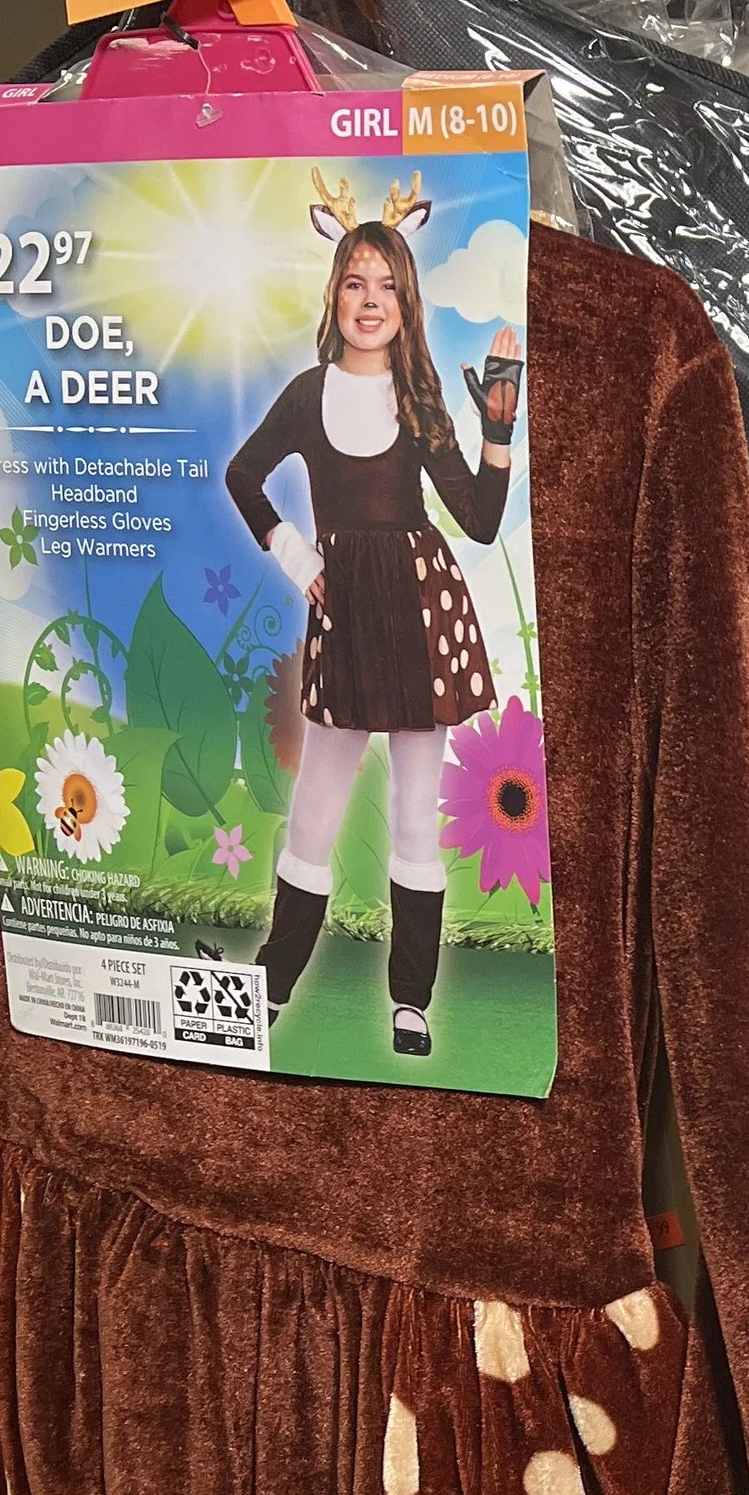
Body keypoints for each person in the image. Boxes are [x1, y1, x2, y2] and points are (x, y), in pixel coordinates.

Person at [227, 174, 523, 1058]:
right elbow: (243, 475)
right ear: (334, 294)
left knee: (413, 814)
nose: (370, 300)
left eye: (387, 285)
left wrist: (497, 431)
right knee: (314, 809)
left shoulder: (421, 399)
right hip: (345, 617)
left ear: (407, 301)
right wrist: (297, 558)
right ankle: (272, 983)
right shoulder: (306, 393)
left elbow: (478, 519)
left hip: (422, 615)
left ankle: (411, 1003)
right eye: (355, 282)